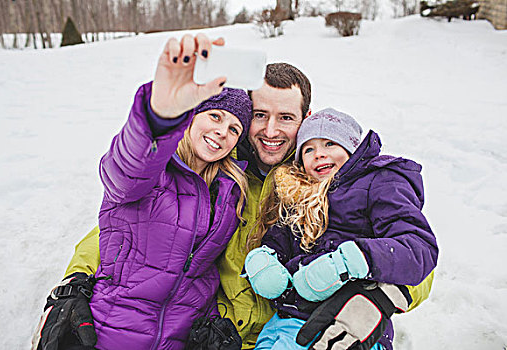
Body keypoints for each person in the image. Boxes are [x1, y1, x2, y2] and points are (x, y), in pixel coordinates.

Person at [33, 33, 435, 350]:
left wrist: (383, 297)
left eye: (286, 118)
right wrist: (76, 281)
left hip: (306, 329)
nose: (271, 131)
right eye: (259, 115)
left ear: (306, 118)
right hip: (215, 333)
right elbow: (127, 222)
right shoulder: (221, 172)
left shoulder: (328, 176)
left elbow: (414, 248)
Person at [32, 33, 252, 350]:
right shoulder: (153, 169)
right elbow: (123, 169)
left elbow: (204, 272)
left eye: (234, 128)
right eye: (215, 116)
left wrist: (212, 325)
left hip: (179, 340)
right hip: (111, 332)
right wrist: (159, 117)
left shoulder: (231, 191)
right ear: (191, 116)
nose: (222, 131)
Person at [244, 108, 439, 349]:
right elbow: (281, 238)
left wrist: (349, 261)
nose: (319, 155)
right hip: (283, 324)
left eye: (330, 144)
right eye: (308, 149)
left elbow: (418, 248)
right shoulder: (297, 193)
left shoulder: (379, 183)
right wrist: (264, 259)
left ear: (352, 148)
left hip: (345, 325)